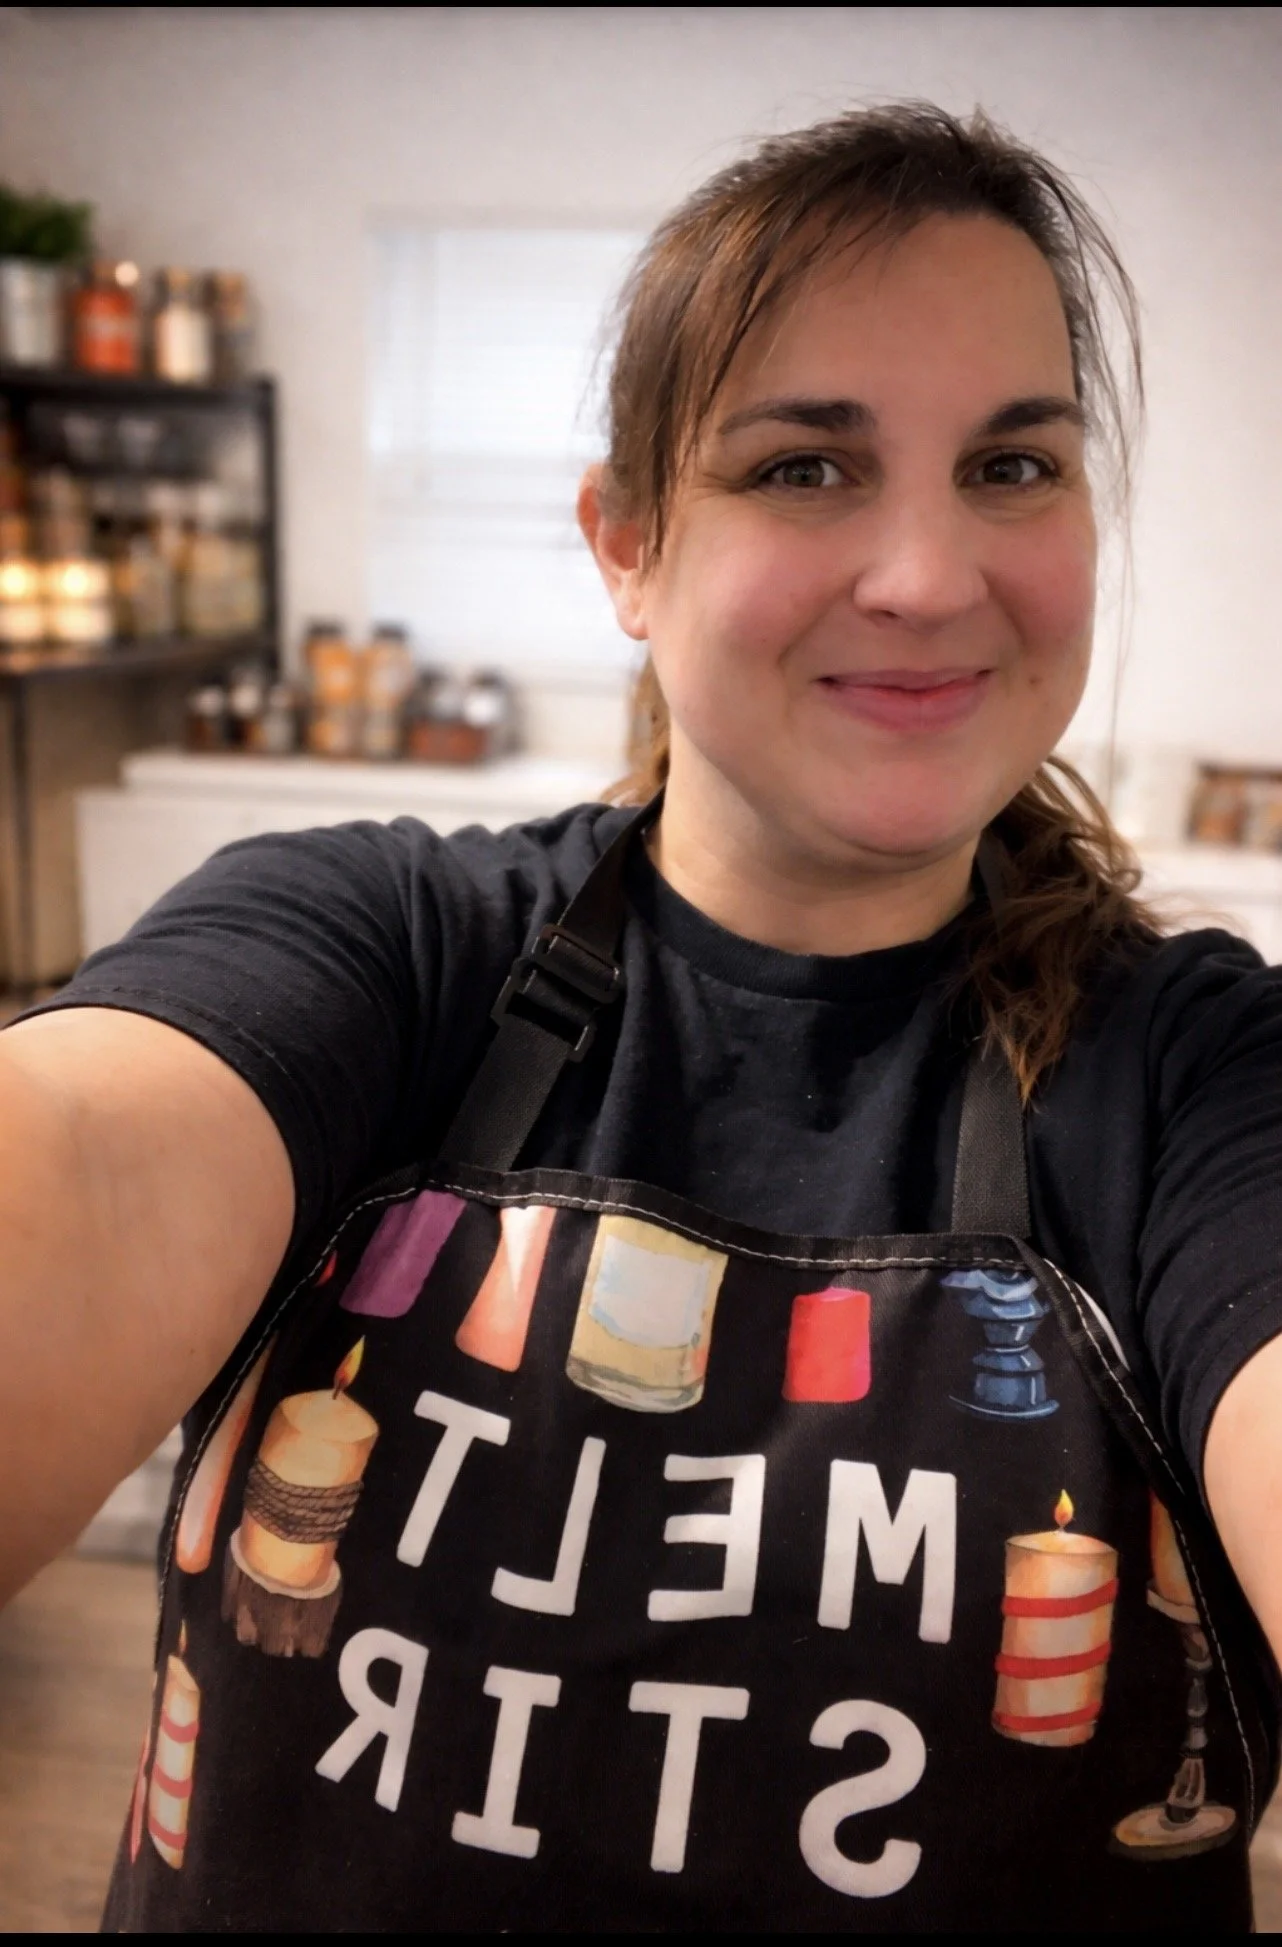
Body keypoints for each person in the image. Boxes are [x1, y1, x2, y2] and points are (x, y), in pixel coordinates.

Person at [2, 103, 1280, 1932]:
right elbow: (83, 1167)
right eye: (804, 466)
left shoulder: (1201, 1077)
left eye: (1011, 465)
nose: (929, 577)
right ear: (624, 545)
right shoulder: (379, 950)